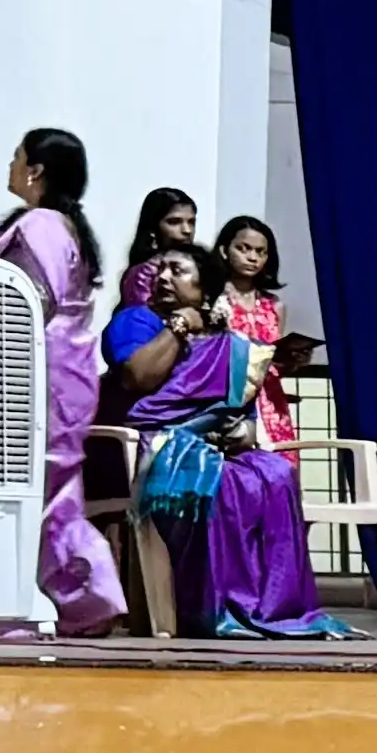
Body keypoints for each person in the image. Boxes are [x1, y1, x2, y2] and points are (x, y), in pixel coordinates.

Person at [95, 249, 338, 640]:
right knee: (222, 485)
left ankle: (273, 606)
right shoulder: (136, 321)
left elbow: (241, 413)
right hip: (164, 443)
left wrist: (240, 434)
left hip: (220, 445)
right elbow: (139, 381)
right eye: (160, 270)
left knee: (276, 475)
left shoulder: (229, 344)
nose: (163, 278)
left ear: (203, 287)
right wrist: (178, 326)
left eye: (177, 270)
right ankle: (213, 607)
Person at [0, 130, 118, 636]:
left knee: (25, 490)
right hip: (70, 377)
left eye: (17, 157)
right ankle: (90, 599)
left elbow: (31, 301)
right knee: (56, 495)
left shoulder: (39, 224)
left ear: (35, 170)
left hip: (42, 376)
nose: (12, 164)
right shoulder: (64, 224)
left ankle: (12, 607)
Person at [205, 217, 301, 448]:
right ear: (224, 251)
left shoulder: (274, 306)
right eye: (243, 248)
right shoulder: (212, 299)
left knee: (278, 470)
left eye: (261, 252)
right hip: (227, 401)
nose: (252, 257)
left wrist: (293, 360)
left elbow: (273, 365)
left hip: (270, 403)